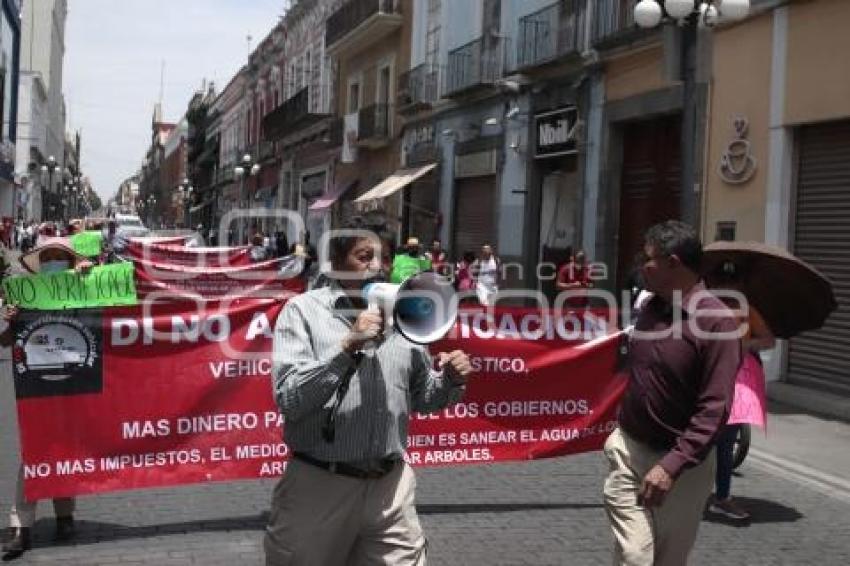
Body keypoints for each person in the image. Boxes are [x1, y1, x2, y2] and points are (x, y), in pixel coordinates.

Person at [264, 217, 472, 566]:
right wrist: (347, 347)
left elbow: (424, 398)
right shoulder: (304, 312)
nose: (378, 266)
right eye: (365, 256)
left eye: (385, 257)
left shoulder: (405, 320)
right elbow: (290, 398)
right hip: (320, 485)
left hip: (389, 486)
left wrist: (451, 379)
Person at [603, 221, 741, 566]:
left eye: (647, 259)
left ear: (673, 263)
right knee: (636, 556)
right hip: (629, 451)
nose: (639, 267)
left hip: (684, 468)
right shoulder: (649, 308)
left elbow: (715, 409)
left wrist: (672, 465)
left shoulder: (717, 322)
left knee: (666, 560)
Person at [2, 239, 93, 560]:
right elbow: (5, 341)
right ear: (41, 263)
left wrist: (91, 280)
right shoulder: (27, 294)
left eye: (60, 257)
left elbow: (117, 314)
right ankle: (20, 526)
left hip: (75, 381)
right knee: (35, 451)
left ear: (70, 262)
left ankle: (65, 516)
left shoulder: (86, 288)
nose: (54, 261)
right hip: (36, 384)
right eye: (49, 257)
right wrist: (11, 319)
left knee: (65, 448)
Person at [708, 271, 776, 522]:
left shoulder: (747, 311)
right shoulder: (703, 309)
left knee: (726, 441)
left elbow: (769, 340)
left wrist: (746, 345)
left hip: (739, 379)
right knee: (700, 438)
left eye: (733, 284)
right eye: (723, 284)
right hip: (707, 378)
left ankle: (722, 496)